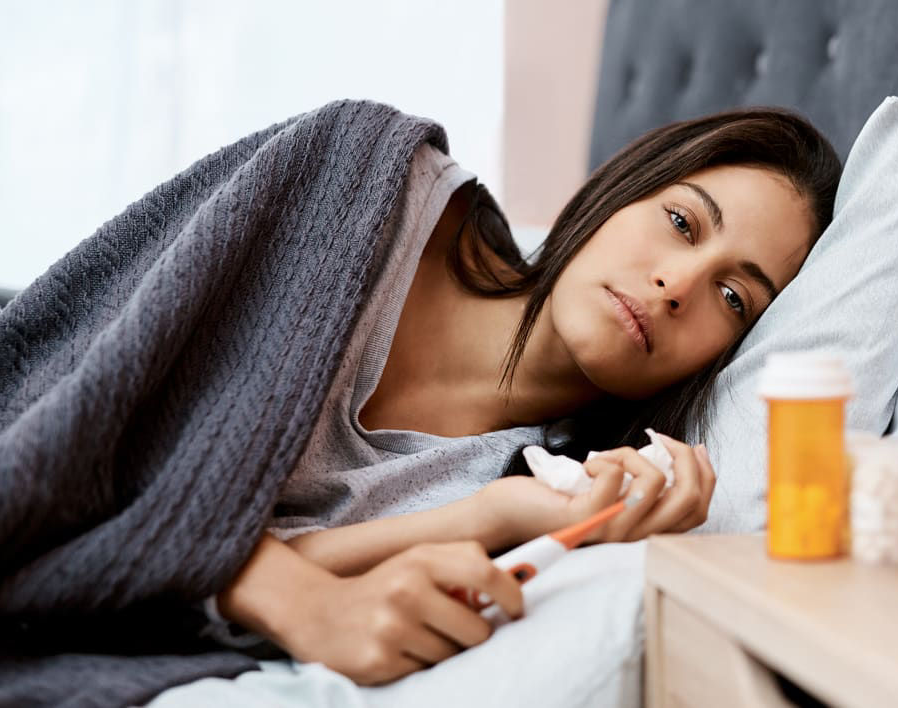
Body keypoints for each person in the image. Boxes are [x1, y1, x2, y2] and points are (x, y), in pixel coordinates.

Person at [198, 107, 841, 686]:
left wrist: (488, 519)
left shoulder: (527, 487)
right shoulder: (369, 184)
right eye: (681, 221)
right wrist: (301, 603)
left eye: (733, 299)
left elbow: (201, 552)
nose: (677, 284)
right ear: (623, 189)